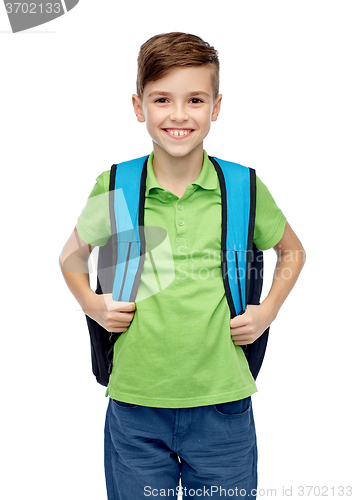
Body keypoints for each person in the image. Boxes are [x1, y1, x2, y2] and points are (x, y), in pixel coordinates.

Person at [59, 32, 305, 499]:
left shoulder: (243, 187)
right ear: (138, 107)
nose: (178, 114)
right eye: (161, 99)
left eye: (194, 99)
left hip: (223, 405)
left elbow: (292, 251)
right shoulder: (116, 183)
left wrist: (268, 310)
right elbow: (72, 255)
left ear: (215, 106)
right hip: (134, 403)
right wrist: (92, 305)